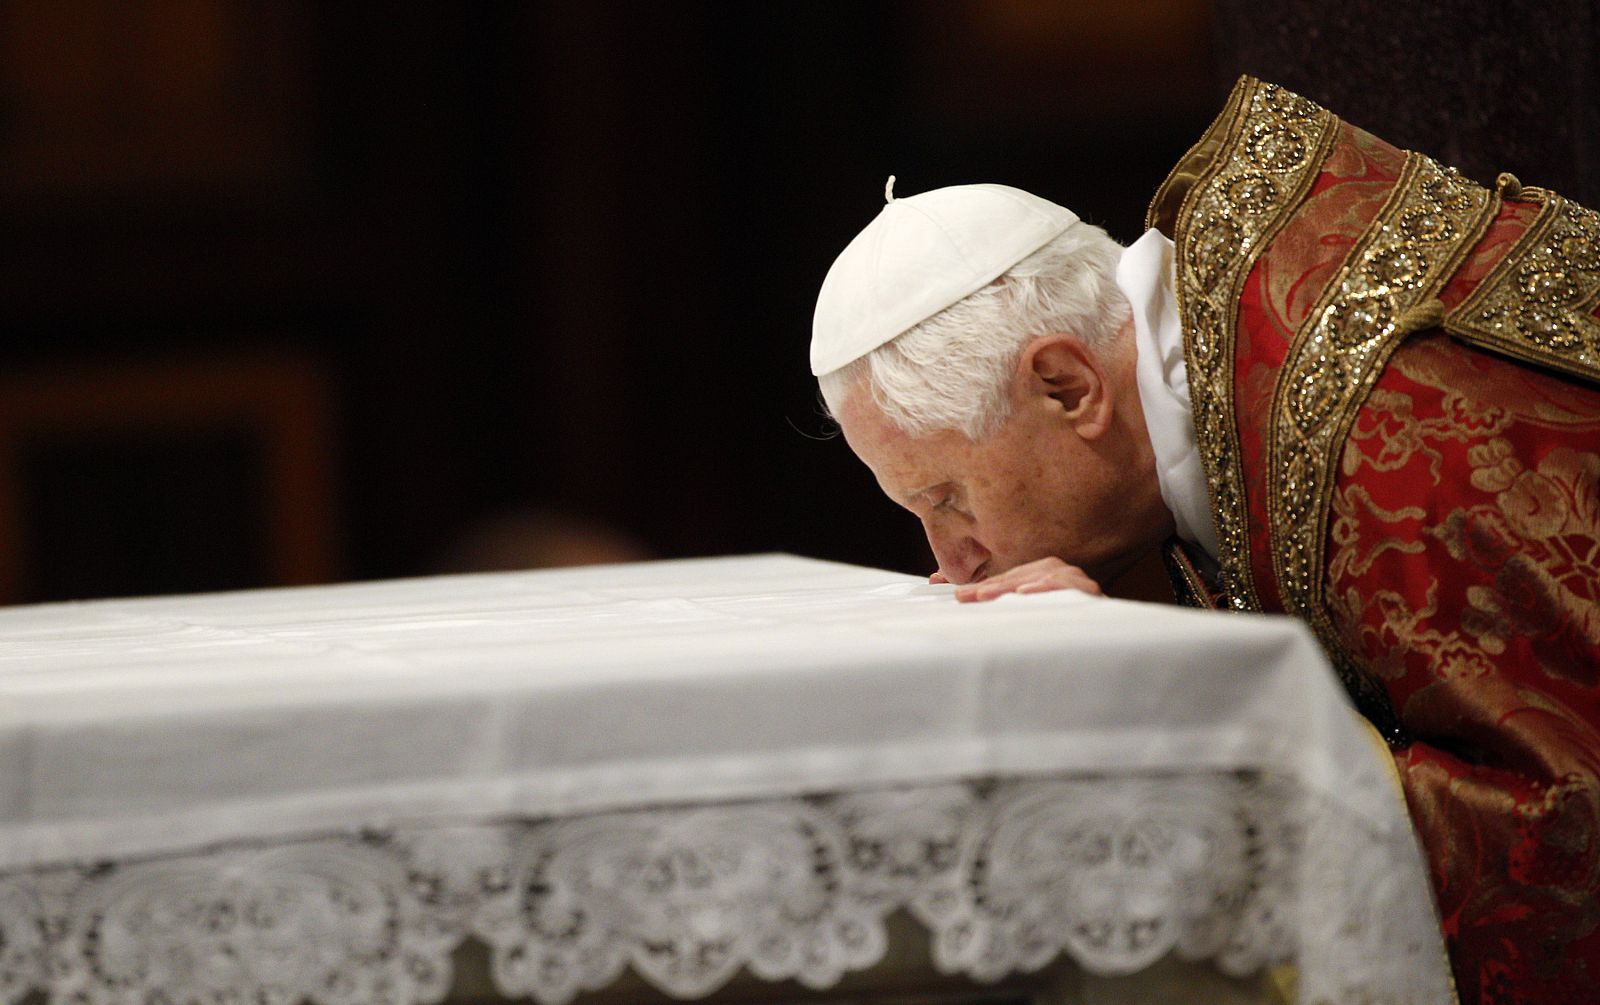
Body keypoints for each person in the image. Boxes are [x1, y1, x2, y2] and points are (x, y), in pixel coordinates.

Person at [811, 77, 1600, 1003]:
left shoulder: (1398, 438)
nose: (952, 561)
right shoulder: (1235, 358)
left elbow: (1566, 835)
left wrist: (1166, 707)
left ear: (1068, 385)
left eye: (947, 497)